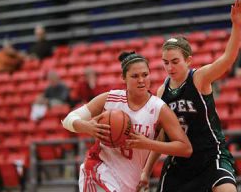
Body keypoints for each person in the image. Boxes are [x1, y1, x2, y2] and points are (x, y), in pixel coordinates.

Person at [137, 0, 241, 192]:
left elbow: (227, 59)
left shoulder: (199, 79)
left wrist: (237, 26)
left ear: (188, 61)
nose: (169, 67)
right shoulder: (162, 92)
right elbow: (162, 136)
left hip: (210, 156)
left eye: (174, 61)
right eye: (165, 62)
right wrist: (146, 172)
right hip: (180, 163)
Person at [62, 51, 192, 192]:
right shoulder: (110, 99)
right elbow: (68, 119)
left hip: (130, 183)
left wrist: (148, 145)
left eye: (145, 75)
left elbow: (185, 148)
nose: (141, 80)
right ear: (124, 78)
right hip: (99, 171)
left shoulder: (159, 108)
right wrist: (87, 127)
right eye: (135, 76)